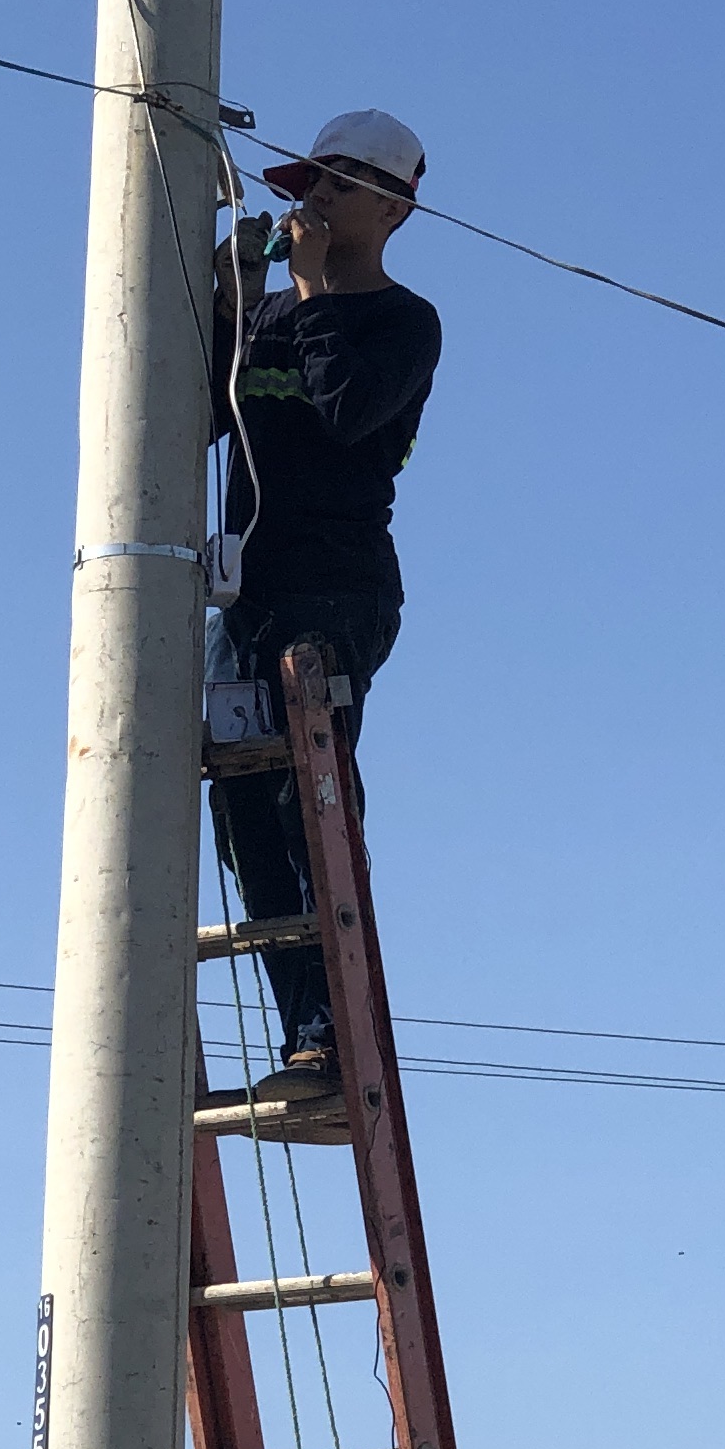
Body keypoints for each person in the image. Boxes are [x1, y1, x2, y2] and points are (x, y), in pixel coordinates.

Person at [207, 106, 442, 1104]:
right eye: (308, 183)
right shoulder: (270, 316)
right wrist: (228, 309)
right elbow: (197, 422)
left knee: (306, 798)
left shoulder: (403, 322)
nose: (316, 200)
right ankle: (306, 1038)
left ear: (392, 207)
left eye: (339, 185)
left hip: (335, 589)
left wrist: (305, 290)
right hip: (246, 595)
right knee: (244, 811)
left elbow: (347, 413)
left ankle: (338, 1044)